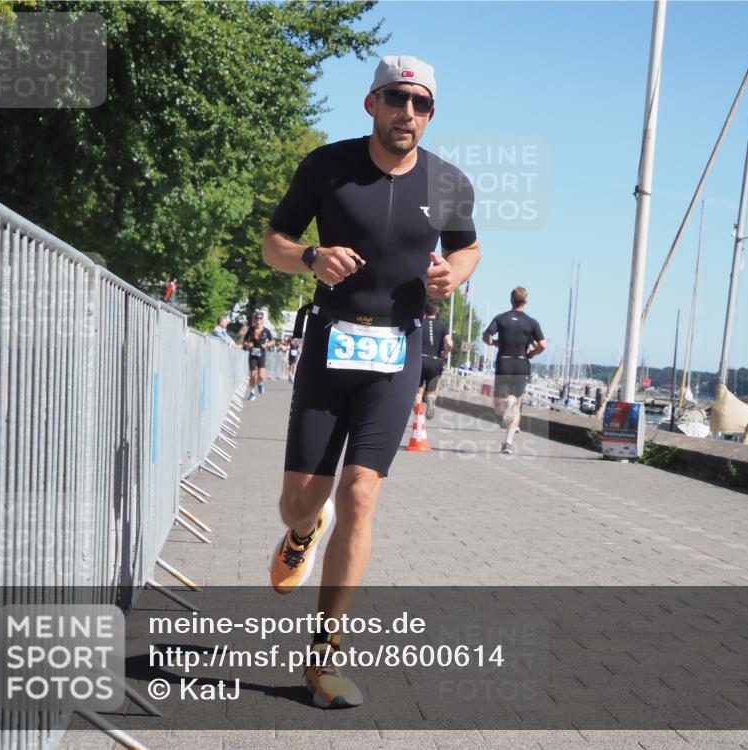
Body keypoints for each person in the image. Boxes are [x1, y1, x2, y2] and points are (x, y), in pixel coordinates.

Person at [260, 55, 479, 708]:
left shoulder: (448, 183)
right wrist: (309, 257)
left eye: (420, 103)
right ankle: (302, 531)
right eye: (395, 98)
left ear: (430, 113)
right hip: (330, 345)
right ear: (371, 104)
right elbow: (272, 242)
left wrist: (456, 274)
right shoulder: (328, 166)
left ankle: (323, 660)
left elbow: (468, 245)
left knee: (359, 496)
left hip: (397, 353)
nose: (406, 111)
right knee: (301, 502)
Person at [483, 286, 546, 454]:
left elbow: (486, 336)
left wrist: (494, 343)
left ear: (511, 300)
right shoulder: (532, 322)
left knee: (498, 406)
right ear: (526, 301)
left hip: (504, 362)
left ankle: (506, 406)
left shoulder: (500, 318)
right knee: (517, 404)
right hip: (521, 363)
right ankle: (508, 443)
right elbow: (543, 344)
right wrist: (532, 353)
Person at [416, 302, 452, 419]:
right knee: (432, 391)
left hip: (420, 359)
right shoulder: (442, 326)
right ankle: (431, 398)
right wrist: (444, 353)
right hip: (435, 361)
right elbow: (450, 343)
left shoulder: (419, 323)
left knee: (418, 392)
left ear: (424, 311)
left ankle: (419, 418)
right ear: (436, 312)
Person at [243, 311, 275, 400]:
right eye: (257, 318)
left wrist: (267, 345)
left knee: (261, 376)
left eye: (260, 318)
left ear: (262, 320)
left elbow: (273, 341)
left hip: (262, 354)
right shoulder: (251, 330)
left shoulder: (266, 331)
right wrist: (247, 344)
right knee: (253, 375)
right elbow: (245, 340)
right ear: (254, 319)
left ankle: (260, 383)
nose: (258, 320)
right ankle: (252, 392)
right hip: (252, 354)